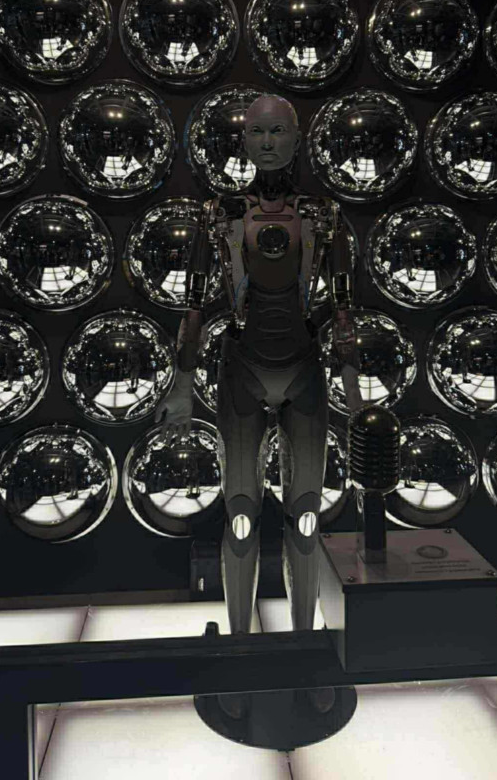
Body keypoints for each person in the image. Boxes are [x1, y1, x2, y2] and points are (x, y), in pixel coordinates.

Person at [155, 93, 363, 644]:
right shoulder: (219, 214)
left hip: (303, 369)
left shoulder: (324, 215)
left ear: (297, 139)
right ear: (243, 141)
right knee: (242, 517)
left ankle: (303, 643)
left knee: (307, 517)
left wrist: (353, 392)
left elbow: (344, 312)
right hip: (242, 369)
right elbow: (193, 307)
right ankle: (240, 645)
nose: (268, 142)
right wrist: (181, 387)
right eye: (257, 132)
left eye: (278, 131)